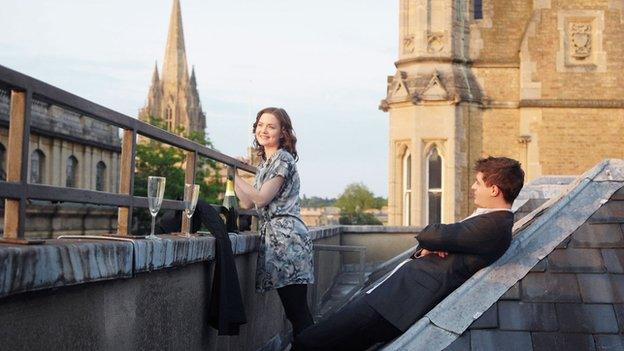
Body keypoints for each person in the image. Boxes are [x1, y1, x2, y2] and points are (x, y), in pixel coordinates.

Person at [293, 156, 524, 351]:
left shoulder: (494, 226)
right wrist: (434, 244)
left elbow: (431, 234)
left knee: (309, 342)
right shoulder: (487, 220)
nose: (473, 187)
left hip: (395, 305)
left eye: (478, 182)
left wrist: (435, 241)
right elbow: (434, 241)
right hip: (389, 298)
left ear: (494, 189)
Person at [234, 107, 314, 338]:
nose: (263, 130)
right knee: (295, 312)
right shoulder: (265, 165)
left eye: (271, 126)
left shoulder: (282, 159)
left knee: (298, 313)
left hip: (288, 240)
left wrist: (237, 174)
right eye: (260, 125)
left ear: (282, 133)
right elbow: (247, 203)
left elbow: (260, 198)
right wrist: (234, 175)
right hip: (278, 240)